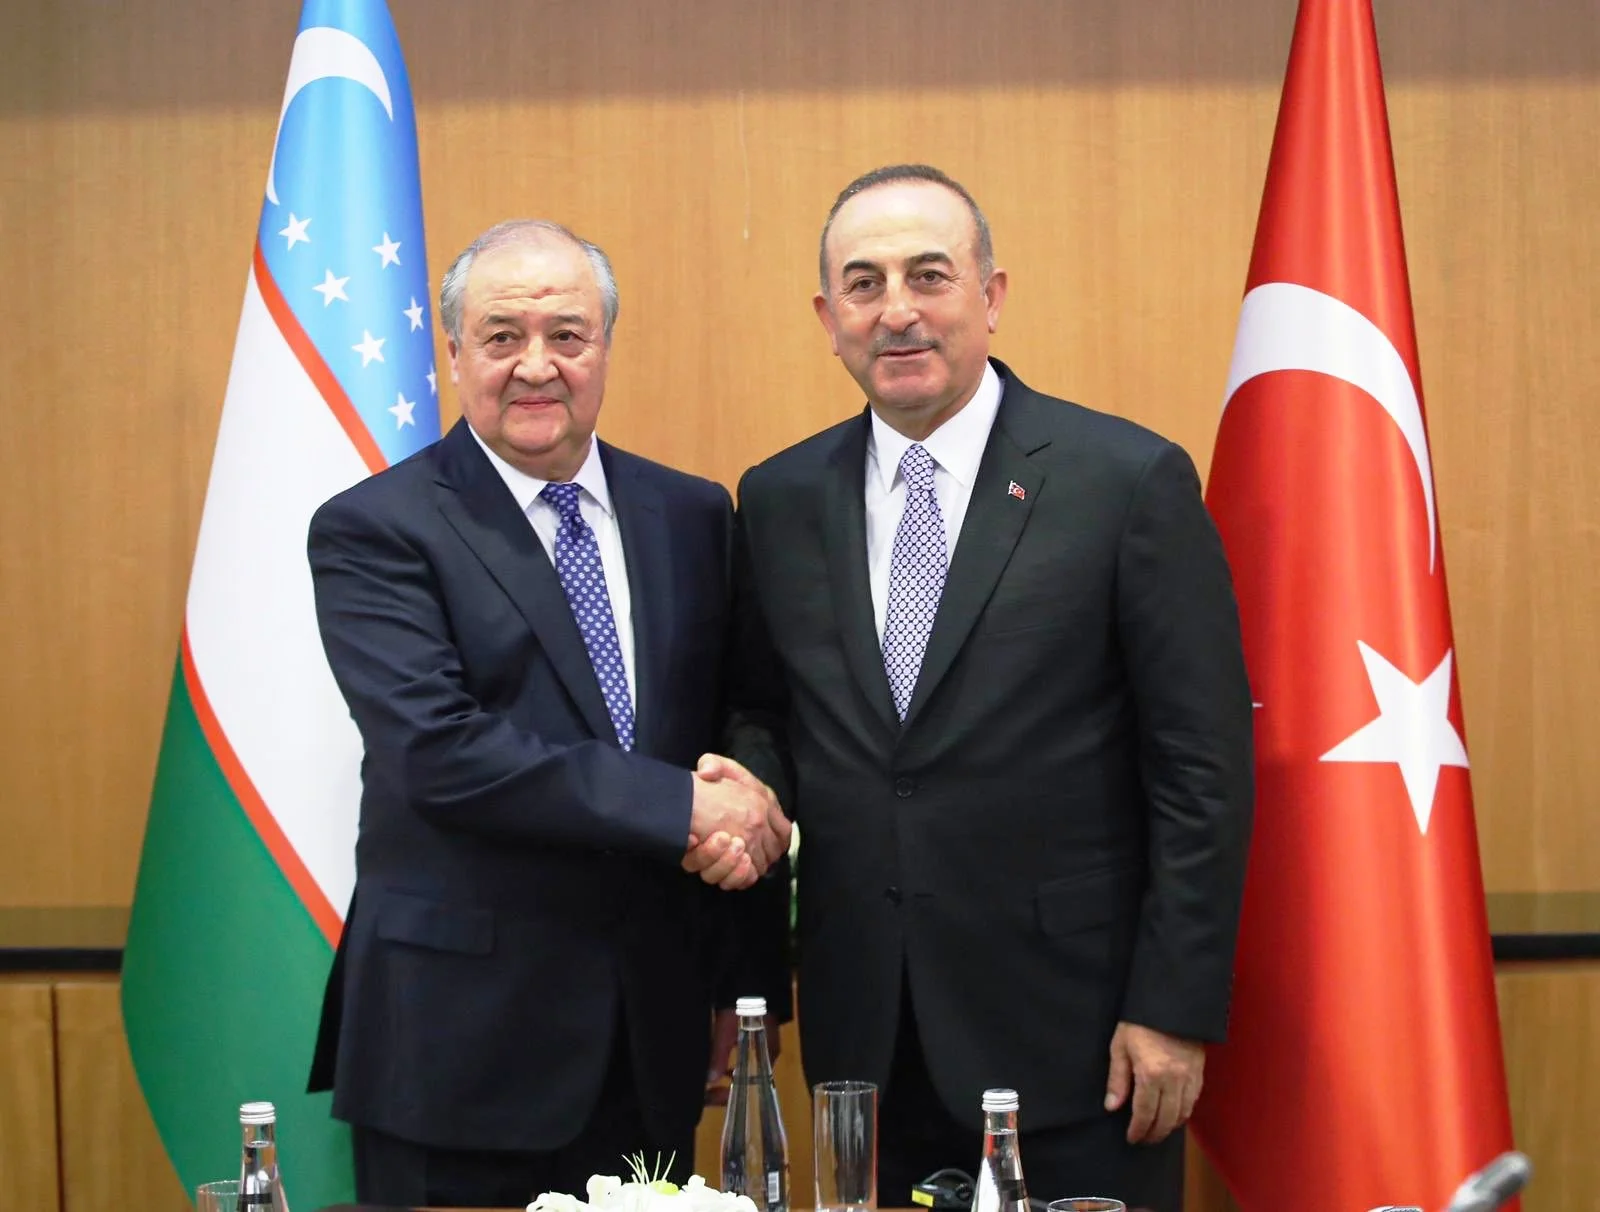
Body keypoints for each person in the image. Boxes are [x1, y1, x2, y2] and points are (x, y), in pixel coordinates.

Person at [696, 166, 1255, 1212]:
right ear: (827, 318)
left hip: (1081, 1041)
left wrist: (1173, 1007)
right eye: (863, 284)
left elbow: (1200, 768)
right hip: (868, 1047)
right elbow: (769, 713)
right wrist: (750, 792)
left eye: (929, 275)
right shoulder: (778, 498)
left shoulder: (1124, 481)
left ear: (991, 296)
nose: (896, 311)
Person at [305, 219, 792, 1208]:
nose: (537, 366)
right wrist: (683, 809)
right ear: (454, 353)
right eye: (502, 337)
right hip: (459, 1049)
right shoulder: (374, 528)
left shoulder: (692, 513)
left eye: (567, 335)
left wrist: (741, 976)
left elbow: (740, 714)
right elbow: (439, 750)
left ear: (604, 347)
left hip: (650, 1038)